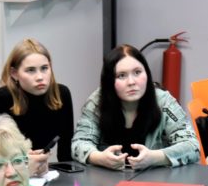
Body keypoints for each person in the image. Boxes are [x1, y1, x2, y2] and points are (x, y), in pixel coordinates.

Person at [71, 44, 200, 170]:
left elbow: (192, 146)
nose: (131, 82)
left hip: (155, 180)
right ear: (109, 81)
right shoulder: (97, 101)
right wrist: (99, 158)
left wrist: (155, 158)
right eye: (121, 75)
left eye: (137, 72)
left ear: (147, 73)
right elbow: (79, 143)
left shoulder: (163, 102)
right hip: (106, 180)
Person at [0, 38, 75, 175]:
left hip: (43, 174)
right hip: (7, 172)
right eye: (30, 70)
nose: (40, 77)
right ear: (14, 73)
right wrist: (23, 162)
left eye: (44, 68)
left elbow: (65, 150)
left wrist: (67, 176)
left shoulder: (62, 94)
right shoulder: (2, 98)